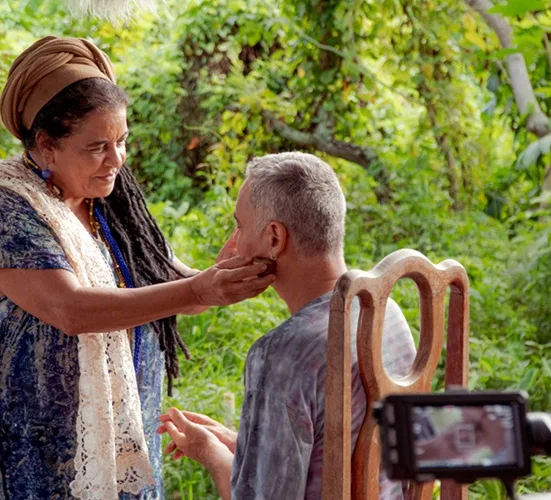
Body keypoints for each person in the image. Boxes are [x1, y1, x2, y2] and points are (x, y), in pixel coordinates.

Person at [0, 36, 275, 499]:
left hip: (99, 446)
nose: (116, 160)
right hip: (11, 453)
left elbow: (173, 291)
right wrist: (202, 289)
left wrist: (229, 271)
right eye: (97, 146)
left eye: (121, 141)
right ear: (45, 146)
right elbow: (71, 309)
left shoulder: (106, 203)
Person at [158, 152, 417, 499]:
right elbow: (343, 451)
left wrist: (209, 452)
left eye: (239, 226)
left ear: (275, 239)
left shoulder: (282, 355)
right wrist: (243, 445)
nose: (231, 245)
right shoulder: (386, 312)